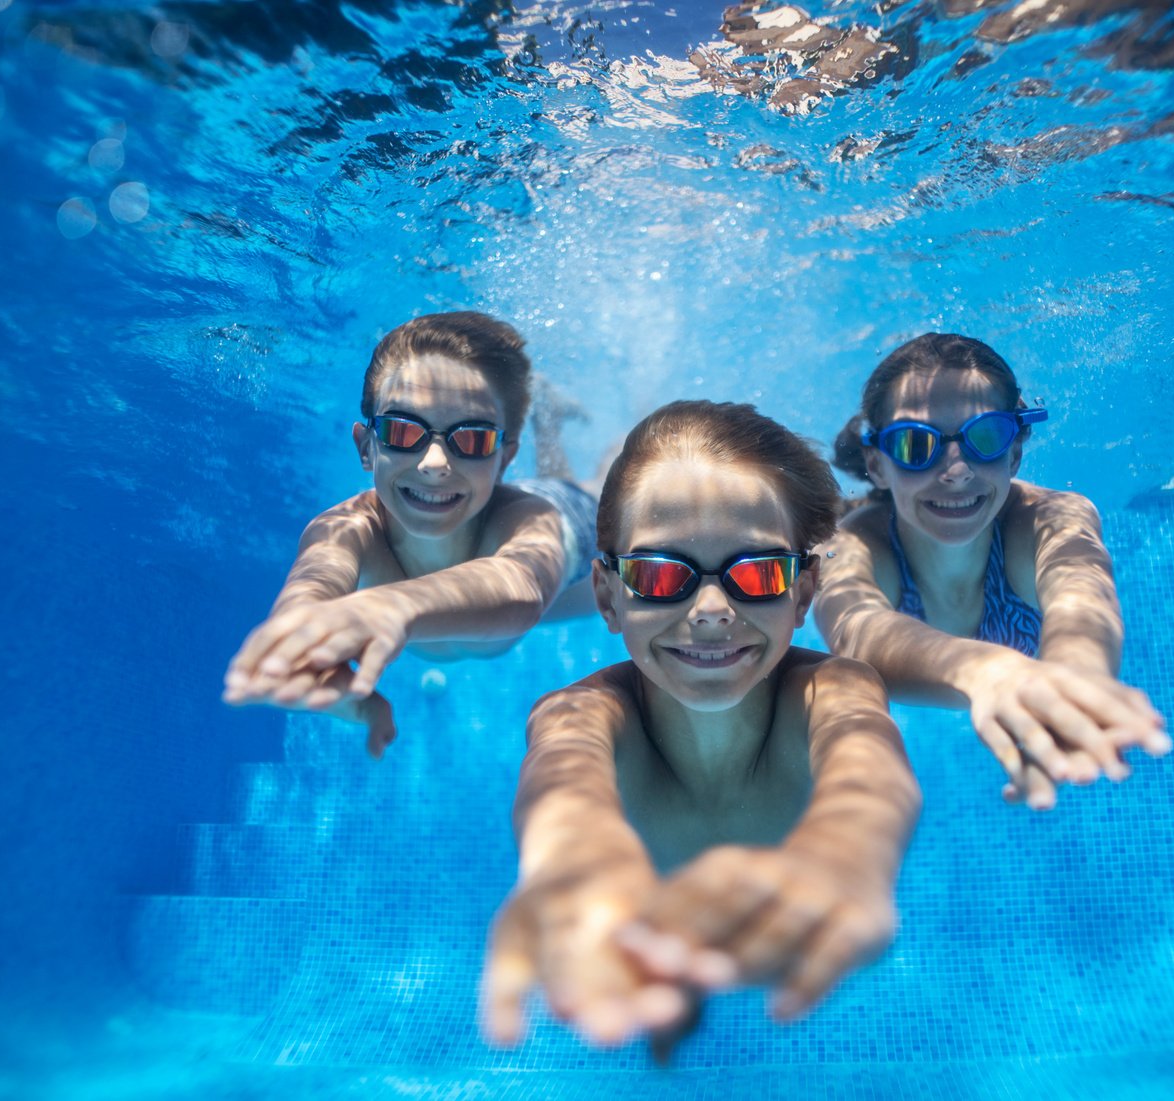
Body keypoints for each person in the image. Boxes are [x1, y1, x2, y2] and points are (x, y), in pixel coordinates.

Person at [483, 400, 921, 1059]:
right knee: (580, 500)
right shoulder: (582, 713)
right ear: (608, 598)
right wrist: (570, 861)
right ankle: (553, 425)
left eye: (759, 573)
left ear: (803, 594)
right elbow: (562, 779)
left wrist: (848, 852)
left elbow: (869, 765)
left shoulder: (831, 689)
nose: (712, 612)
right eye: (661, 576)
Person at [814, 333, 1170, 810]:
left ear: (1015, 454)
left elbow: (1081, 594)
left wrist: (1075, 681)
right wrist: (986, 671)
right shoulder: (852, 544)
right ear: (877, 465)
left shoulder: (1052, 519)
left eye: (986, 438)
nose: (957, 471)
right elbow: (858, 635)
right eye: (915, 446)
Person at [222, 311, 602, 758]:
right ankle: (548, 416)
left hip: (573, 548)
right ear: (367, 447)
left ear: (502, 459)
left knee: (603, 484)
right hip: (480, 604)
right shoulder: (346, 529)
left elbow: (520, 588)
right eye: (403, 431)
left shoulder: (527, 520)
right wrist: (304, 653)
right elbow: (309, 595)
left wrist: (393, 605)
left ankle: (550, 418)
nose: (434, 463)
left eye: (474, 439)